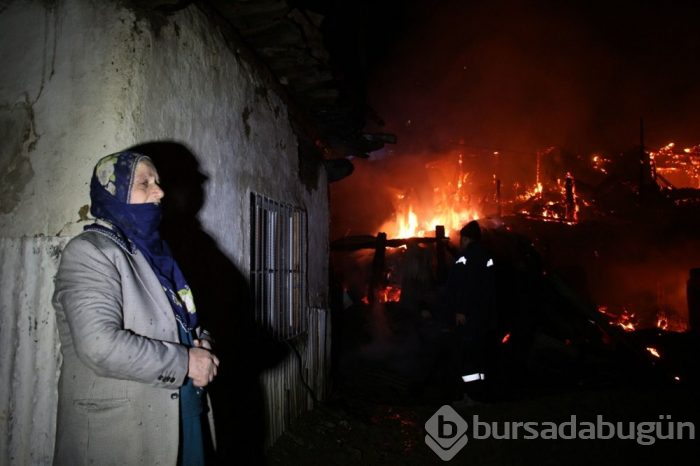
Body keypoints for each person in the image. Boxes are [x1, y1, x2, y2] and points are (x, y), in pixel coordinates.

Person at [52, 151, 219, 465]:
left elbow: (184, 318)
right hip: (125, 434)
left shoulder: (157, 252)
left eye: (158, 182)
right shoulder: (90, 252)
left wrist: (203, 343)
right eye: (145, 183)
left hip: (184, 414)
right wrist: (186, 362)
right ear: (114, 194)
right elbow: (99, 346)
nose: (160, 191)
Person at [445, 220, 496, 403]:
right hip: (483, 314)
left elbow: (464, 286)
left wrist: (461, 310)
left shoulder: (467, 258)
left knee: (467, 354)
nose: (459, 243)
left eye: (461, 239)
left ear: (466, 239)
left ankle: (470, 396)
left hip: (469, 316)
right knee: (478, 353)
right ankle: (479, 393)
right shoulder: (486, 256)